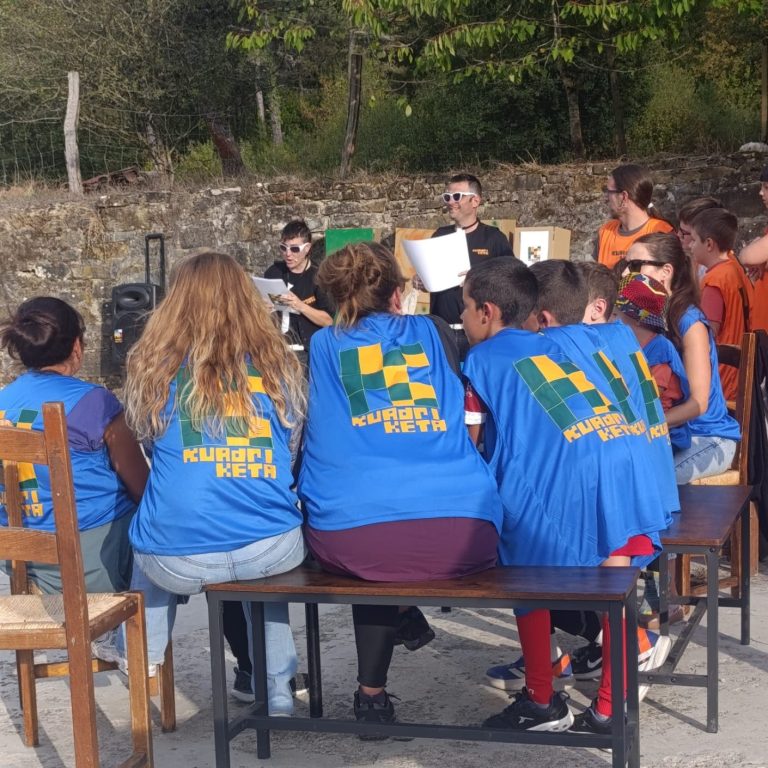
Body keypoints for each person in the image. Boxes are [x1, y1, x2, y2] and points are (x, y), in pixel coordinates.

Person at [298, 241, 503, 730]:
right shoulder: (434, 331)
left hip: (354, 536)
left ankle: (372, 696)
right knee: (389, 530)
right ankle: (401, 618)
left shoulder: (323, 346)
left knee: (373, 537)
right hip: (465, 527)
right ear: (396, 293)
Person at [462, 258, 669, 734]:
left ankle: (541, 699)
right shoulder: (571, 341)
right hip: (625, 461)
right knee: (615, 580)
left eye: (466, 307)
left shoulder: (481, 358)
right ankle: (611, 706)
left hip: (568, 474)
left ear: (487, 312)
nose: (463, 317)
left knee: (522, 562)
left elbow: (471, 441)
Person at [123, 251, 308, 716]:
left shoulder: (155, 371)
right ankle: (278, 689)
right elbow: (287, 454)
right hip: (270, 549)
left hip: (176, 559)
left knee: (149, 530)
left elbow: (149, 444)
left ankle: (142, 660)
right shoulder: (277, 367)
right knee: (265, 574)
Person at [0, 297, 147, 595]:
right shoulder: (95, 401)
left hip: (18, 556)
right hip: (90, 562)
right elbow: (141, 486)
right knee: (157, 521)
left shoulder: (3, 401)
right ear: (77, 346)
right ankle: (145, 622)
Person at [623, 232, 740, 483]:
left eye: (634, 265)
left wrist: (646, 426)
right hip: (667, 434)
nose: (624, 273)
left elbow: (698, 404)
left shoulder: (689, 321)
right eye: (626, 265)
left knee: (647, 484)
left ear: (665, 271)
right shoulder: (639, 317)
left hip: (706, 436)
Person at [427, 173, 514, 359]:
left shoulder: (494, 238)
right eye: (447, 197)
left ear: (475, 201)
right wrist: (422, 280)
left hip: (479, 335)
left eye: (457, 196)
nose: (451, 202)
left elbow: (513, 281)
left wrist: (478, 278)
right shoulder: (439, 235)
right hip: (441, 332)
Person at [688, 207, 753, 401]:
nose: (690, 246)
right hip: (739, 372)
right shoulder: (734, 267)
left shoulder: (715, 281)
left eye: (693, 240)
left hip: (723, 378)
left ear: (709, 244)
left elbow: (707, 334)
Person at [264, 219, 333, 363]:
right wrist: (264, 309)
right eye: (283, 248)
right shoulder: (273, 272)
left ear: (307, 248)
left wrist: (300, 306)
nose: (288, 254)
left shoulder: (319, 277)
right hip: (278, 350)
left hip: (308, 352)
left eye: (295, 249)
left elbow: (329, 321)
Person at [595, 164, 673, 269]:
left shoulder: (661, 232)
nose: (605, 198)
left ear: (624, 197)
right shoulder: (605, 232)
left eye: (608, 192)